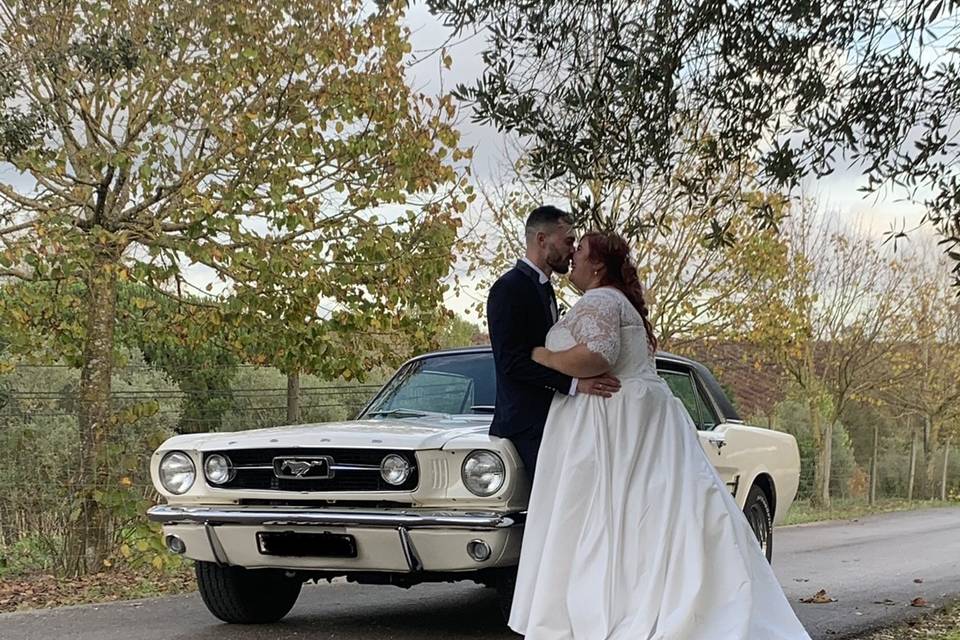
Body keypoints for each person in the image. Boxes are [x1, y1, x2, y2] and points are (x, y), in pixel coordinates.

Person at [508, 230, 812, 640]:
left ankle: (611, 609)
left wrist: (543, 356)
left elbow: (599, 355)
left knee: (605, 515)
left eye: (581, 251)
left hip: (613, 420)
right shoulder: (619, 302)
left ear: (597, 265)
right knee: (649, 516)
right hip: (642, 415)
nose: (574, 256)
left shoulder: (600, 300)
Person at [486, 206, 621, 480]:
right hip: (524, 429)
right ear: (541, 240)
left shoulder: (544, 288)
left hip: (553, 423)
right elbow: (512, 361)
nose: (572, 251)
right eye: (568, 241)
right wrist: (575, 384)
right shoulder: (508, 289)